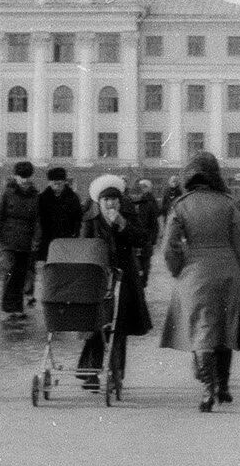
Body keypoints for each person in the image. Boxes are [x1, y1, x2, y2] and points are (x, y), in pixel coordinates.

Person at [159, 151, 240, 412]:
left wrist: (178, 270)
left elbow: (168, 247)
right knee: (226, 328)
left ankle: (207, 390)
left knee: (202, 329)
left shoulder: (181, 205)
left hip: (196, 274)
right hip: (228, 272)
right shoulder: (228, 204)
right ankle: (223, 386)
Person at [74, 174, 154, 390]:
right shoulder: (90, 221)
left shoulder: (128, 217)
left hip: (124, 277)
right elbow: (84, 248)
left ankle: (115, 374)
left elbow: (143, 239)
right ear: (98, 202)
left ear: (120, 201)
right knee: (96, 324)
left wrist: (123, 224)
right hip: (98, 277)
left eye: (114, 199)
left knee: (120, 325)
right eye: (106, 199)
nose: (110, 203)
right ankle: (90, 373)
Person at [0, 160, 41, 324]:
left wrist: (37, 239)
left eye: (27, 176)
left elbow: (37, 220)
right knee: (11, 271)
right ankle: (10, 307)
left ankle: (18, 308)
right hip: (8, 240)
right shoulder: (7, 193)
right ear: (16, 177)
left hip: (26, 240)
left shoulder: (35, 195)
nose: (24, 180)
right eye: (21, 177)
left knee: (21, 274)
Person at [33, 166, 85, 263]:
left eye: (59, 183)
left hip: (66, 238)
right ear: (49, 183)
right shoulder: (42, 198)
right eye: (54, 183)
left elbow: (78, 218)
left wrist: (75, 233)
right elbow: (37, 219)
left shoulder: (73, 198)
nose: (57, 185)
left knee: (64, 264)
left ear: (64, 182)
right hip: (46, 239)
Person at [121, 178, 163, 286]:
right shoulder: (127, 205)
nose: (136, 196)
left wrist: (152, 240)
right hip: (131, 242)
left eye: (138, 194)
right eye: (133, 194)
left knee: (145, 266)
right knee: (133, 266)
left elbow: (154, 224)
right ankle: (136, 287)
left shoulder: (148, 205)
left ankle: (143, 283)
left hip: (146, 241)